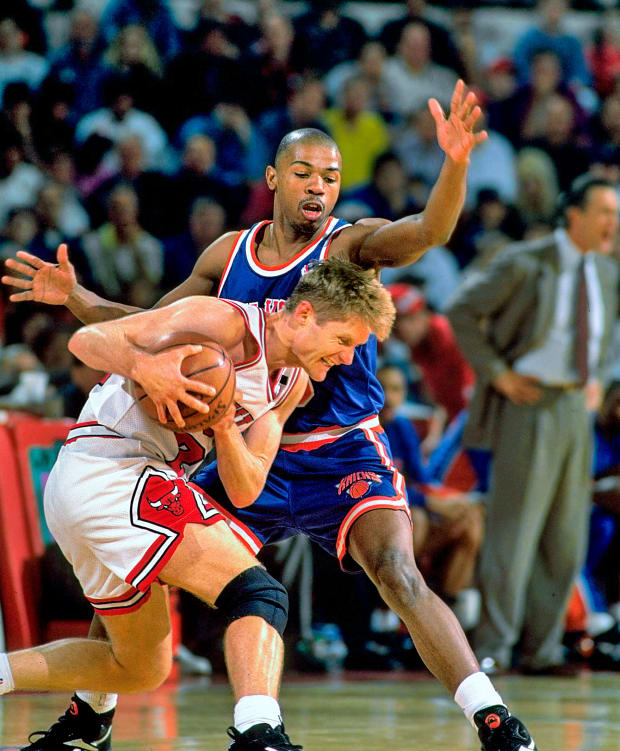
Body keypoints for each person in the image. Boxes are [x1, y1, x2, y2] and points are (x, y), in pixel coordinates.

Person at [3, 81, 537, 751]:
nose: (319, 186)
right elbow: (149, 328)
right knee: (142, 558)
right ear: (273, 179)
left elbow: (428, 231)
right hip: (249, 442)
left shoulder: (349, 249)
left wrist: (454, 163)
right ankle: (97, 713)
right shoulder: (228, 257)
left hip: (340, 445)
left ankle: (491, 716)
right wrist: (78, 296)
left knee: (397, 569)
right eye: (305, 172)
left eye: (332, 176)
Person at [0, 259, 396, 751]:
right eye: (344, 342)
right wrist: (147, 368)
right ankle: (258, 733)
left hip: (103, 490)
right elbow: (86, 343)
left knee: (138, 666)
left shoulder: (291, 385)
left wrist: (227, 424)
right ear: (304, 315)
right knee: (258, 594)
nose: (347, 357)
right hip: (110, 469)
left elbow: (247, 486)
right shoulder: (222, 323)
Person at [446, 175, 620, 676]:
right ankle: (494, 647)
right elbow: (461, 309)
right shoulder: (526, 261)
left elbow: (605, 338)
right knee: (512, 534)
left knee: (567, 539)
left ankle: (542, 651)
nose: (613, 222)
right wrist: (497, 374)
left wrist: (599, 382)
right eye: (605, 211)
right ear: (575, 214)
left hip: (575, 410)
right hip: (527, 404)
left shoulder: (605, 272)